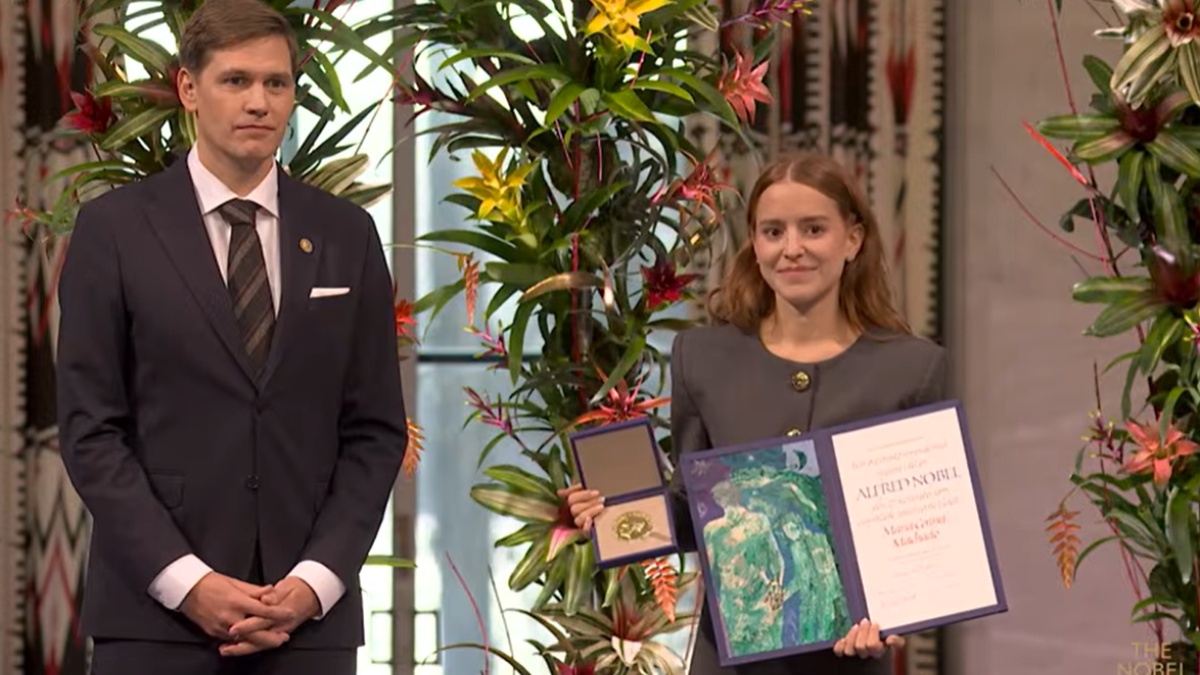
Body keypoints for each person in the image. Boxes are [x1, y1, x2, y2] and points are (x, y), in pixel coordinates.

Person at [55, 0, 408, 673]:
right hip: (156, 625)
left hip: (307, 626)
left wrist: (316, 581)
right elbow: (91, 429)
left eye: (277, 83)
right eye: (236, 80)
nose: (259, 102)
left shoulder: (345, 233)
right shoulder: (115, 230)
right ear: (189, 88)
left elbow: (375, 429)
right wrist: (188, 580)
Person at [562, 152, 947, 675]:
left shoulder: (913, 369)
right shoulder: (702, 357)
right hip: (728, 663)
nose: (793, 249)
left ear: (852, 239)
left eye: (814, 229)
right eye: (773, 232)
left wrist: (899, 614)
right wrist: (610, 513)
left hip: (850, 662)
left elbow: (925, 532)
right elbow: (692, 511)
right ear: (756, 245)